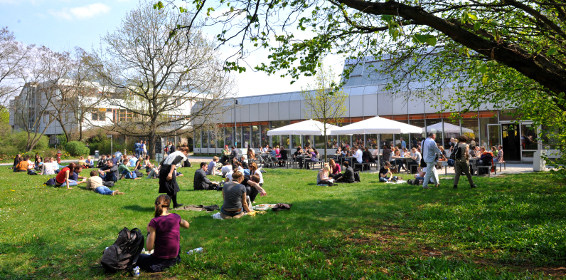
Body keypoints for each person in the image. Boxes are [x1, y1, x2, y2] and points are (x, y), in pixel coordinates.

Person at [138, 194, 189, 272]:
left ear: (155, 205)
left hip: (158, 262)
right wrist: (179, 220)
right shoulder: (176, 217)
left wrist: (149, 232)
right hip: (175, 260)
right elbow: (187, 225)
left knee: (138, 257)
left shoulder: (154, 222)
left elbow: (149, 248)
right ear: (168, 207)